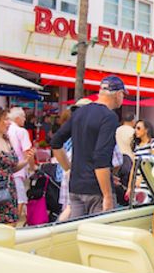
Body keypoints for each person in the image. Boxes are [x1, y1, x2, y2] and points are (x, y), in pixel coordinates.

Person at [51, 77, 122, 217]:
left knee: (77, 233)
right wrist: (107, 195)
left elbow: (56, 141)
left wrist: (69, 168)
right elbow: (101, 157)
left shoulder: (79, 113)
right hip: (96, 190)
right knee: (97, 234)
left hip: (76, 186)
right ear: (118, 94)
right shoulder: (109, 117)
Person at [6, 107, 36, 222]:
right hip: (19, 169)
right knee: (20, 199)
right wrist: (32, 167)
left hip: (7, 169)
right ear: (17, 118)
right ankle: (15, 223)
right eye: (23, 117)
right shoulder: (21, 131)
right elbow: (28, 152)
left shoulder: (6, 131)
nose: (24, 119)